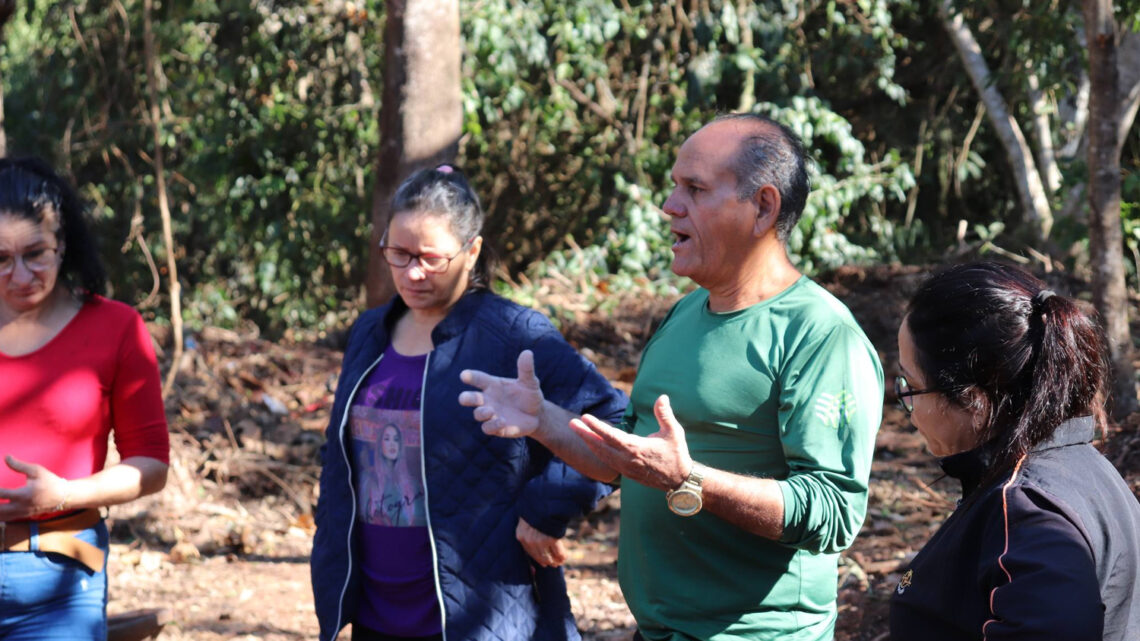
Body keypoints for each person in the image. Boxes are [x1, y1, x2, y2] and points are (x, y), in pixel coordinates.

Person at [461, 114, 884, 640]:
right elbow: (634, 461)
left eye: (695, 188)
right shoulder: (685, 315)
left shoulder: (820, 334)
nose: (669, 206)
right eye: (673, 185)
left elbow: (835, 512)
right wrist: (544, 419)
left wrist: (691, 480)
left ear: (764, 207)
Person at [310, 164, 627, 641]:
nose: (413, 272)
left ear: (472, 250)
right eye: (398, 254)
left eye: (430, 258)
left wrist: (548, 507)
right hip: (375, 614)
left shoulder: (512, 334)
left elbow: (614, 421)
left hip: (480, 619)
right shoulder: (368, 333)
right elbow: (342, 457)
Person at [889, 261, 1140, 640]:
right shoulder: (1079, 466)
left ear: (974, 400)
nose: (906, 404)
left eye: (911, 385)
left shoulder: (1028, 511)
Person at [0, 157, 170, 640]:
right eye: (0, 259)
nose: (19, 276)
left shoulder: (115, 328)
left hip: (58, 574)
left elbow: (151, 464)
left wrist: (65, 494)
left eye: (36, 254)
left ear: (63, 244)